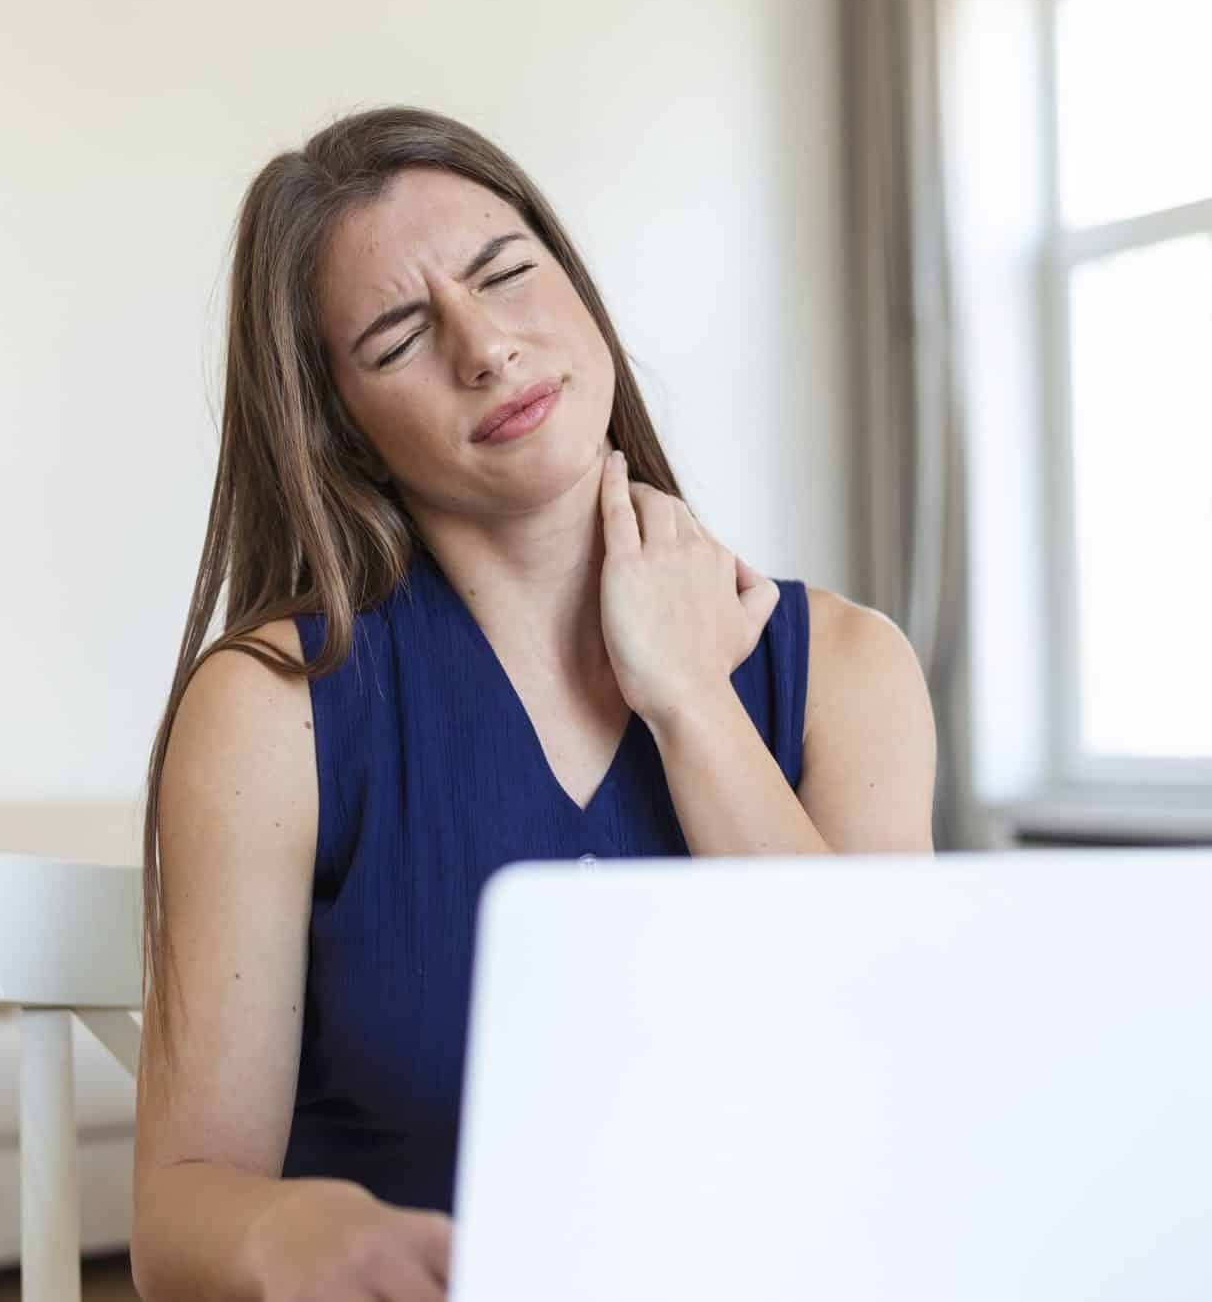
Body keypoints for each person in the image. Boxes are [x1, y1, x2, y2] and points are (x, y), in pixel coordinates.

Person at [129, 106, 937, 1302]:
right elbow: (179, 1207)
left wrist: (687, 703)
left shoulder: (852, 671)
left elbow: (887, 1097)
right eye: (400, 337)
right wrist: (280, 1235)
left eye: (506, 274)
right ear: (337, 426)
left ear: (578, 287)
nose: (486, 348)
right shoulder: (270, 708)